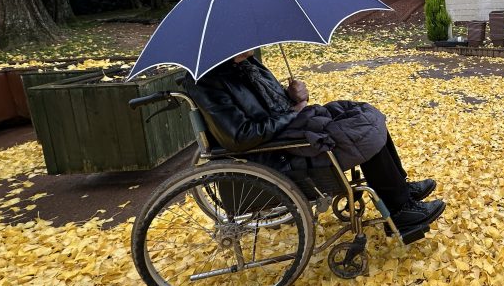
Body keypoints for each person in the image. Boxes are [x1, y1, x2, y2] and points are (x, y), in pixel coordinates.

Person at [187, 50, 444, 241]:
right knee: (359, 133)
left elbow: (276, 105)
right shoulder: (209, 83)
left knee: (365, 115)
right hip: (279, 151)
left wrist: (294, 97)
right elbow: (241, 136)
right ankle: (400, 211)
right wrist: (295, 110)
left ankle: (400, 190)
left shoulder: (247, 64)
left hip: (294, 129)